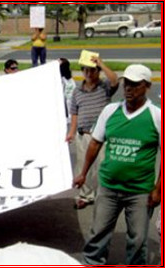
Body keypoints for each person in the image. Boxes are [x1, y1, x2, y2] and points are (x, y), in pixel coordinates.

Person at [74, 64, 161, 265]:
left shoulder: (156, 116)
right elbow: (95, 143)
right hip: (108, 187)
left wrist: (158, 189)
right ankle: (93, 262)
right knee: (98, 233)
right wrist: (83, 173)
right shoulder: (110, 110)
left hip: (139, 191)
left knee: (138, 238)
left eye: (135, 85)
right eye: (126, 84)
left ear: (147, 86)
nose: (128, 88)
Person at [66, 56, 119, 210]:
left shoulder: (105, 87)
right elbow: (74, 112)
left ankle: (104, 196)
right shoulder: (77, 91)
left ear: (98, 71)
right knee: (84, 167)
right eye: (86, 70)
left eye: (92, 70)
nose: (89, 73)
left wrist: (101, 63)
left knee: (103, 166)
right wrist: (71, 132)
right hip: (84, 135)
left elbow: (115, 80)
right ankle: (85, 196)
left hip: (102, 135)